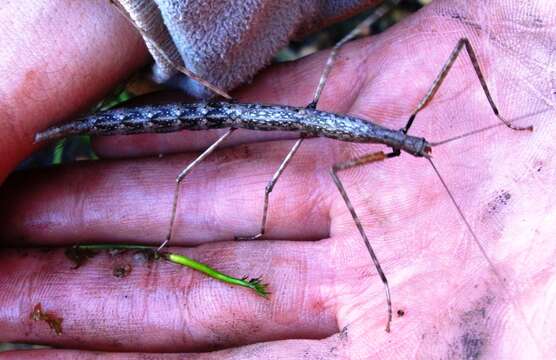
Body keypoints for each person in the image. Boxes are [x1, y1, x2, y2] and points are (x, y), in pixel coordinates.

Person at [0, 0, 553, 358]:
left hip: (226, 115)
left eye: (406, 146)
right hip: (209, 118)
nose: (408, 146)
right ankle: (60, 129)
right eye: (407, 145)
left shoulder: (363, 135)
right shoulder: (343, 141)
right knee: (189, 168)